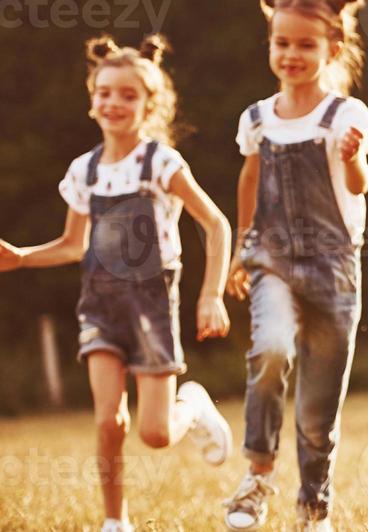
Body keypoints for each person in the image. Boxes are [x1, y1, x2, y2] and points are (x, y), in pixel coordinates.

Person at [0, 36, 233, 532]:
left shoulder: (160, 164)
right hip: (99, 306)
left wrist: (210, 294)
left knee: (153, 434)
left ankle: (191, 405)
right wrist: (21, 258)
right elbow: (72, 244)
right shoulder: (83, 172)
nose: (114, 103)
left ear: (150, 105)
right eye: (105, 93)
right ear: (92, 100)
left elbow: (215, 224)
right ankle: (115, 521)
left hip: (151, 306)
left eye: (128, 95)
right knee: (109, 421)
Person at [222, 0, 368, 532]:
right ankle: (258, 474)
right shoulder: (258, 118)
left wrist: (354, 157)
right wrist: (243, 248)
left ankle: (313, 508)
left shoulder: (345, 114)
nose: (291, 54)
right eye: (280, 42)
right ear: (269, 43)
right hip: (272, 260)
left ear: (332, 49)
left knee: (316, 413)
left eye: (305, 45)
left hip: (335, 268)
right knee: (270, 348)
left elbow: (359, 186)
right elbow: (250, 178)